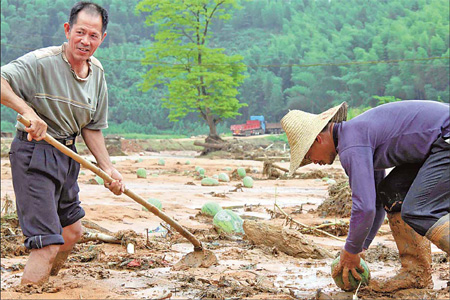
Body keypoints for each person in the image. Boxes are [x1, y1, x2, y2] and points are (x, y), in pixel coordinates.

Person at [1, 1, 125, 285]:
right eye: (80, 32)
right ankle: (30, 288)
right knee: (46, 243)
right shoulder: (42, 62)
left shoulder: (98, 74)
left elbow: (91, 127)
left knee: (71, 233)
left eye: (93, 35)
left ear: (102, 38)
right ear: (68, 30)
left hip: (68, 155)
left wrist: (109, 169)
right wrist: (27, 111)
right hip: (35, 152)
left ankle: (46, 280)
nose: (85, 41)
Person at [281, 100, 449, 292]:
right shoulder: (355, 137)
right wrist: (361, 247)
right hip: (438, 146)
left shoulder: (351, 146)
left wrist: (351, 250)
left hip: (446, 139)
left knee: (418, 209)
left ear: (318, 139)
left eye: (309, 155)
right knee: (392, 192)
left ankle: (416, 271)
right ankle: (416, 273)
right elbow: (376, 204)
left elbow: (364, 208)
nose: (313, 161)